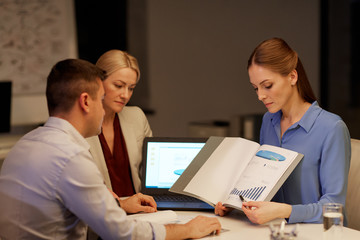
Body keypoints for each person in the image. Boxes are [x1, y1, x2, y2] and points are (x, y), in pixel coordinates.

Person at [0, 59, 221, 239]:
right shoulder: (70, 156)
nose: (104, 109)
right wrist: (187, 229)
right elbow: (121, 233)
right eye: (101, 99)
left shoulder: (25, 144)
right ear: (86, 102)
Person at [215, 37, 351, 224]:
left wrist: (285, 211)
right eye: (255, 88)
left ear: (292, 77)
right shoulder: (268, 121)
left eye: (267, 85)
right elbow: (263, 185)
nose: (261, 96)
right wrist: (236, 204)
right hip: (275, 231)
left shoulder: (331, 128)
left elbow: (335, 208)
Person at [87, 50, 151, 197]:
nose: (125, 95)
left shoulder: (136, 117)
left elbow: (150, 174)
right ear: (98, 81)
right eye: (118, 85)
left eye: (131, 88)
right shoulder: (81, 124)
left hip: (140, 211)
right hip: (101, 213)